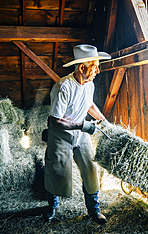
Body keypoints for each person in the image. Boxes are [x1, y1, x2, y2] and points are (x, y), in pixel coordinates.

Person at [43, 44, 111, 224]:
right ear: (82, 67)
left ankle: (94, 211)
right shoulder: (63, 86)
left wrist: (104, 121)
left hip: (81, 134)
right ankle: (52, 208)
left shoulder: (90, 84)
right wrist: (83, 125)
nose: (98, 70)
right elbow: (55, 120)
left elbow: (89, 105)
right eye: (95, 66)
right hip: (60, 135)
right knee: (56, 171)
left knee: (91, 168)